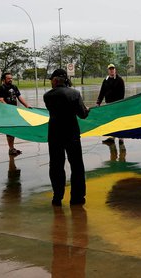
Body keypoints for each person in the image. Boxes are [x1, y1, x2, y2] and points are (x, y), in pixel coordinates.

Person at [44, 69, 90, 207]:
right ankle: (77, 198)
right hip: (72, 134)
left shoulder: (47, 96)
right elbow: (82, 114)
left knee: (56, 166)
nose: (51, 82)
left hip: (54, 135)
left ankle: (57, 196)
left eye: (51, 79)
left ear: (56, 80)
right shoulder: (74, 94)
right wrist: (87, 110)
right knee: (76, 166)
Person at [0, 72, 31, 156]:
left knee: (13, 130)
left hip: (14, 112)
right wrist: (9, 108)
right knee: (9, 130)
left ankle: (12, 148)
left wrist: (26, 105)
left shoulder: (14, 87)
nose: (10, 80)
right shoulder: (1, 88)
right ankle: (11, 148)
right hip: (6, 113)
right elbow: (0, 99)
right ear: (4, 79)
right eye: (8, 79)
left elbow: (19, 97)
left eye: (11, 78)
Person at [96, 64, 125, 144]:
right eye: (110, 69)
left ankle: (121, 137)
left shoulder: (120, 80)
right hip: (109, 104)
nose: (112, 70)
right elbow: (102, 92)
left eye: (113, 69)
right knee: (110, 120)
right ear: (108, 70)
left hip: (118, 104)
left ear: (115, 70)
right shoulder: (105, 80)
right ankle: (112, 137)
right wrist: (98, 102)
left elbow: (122, 93)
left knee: (118, 120)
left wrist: (120, 103)